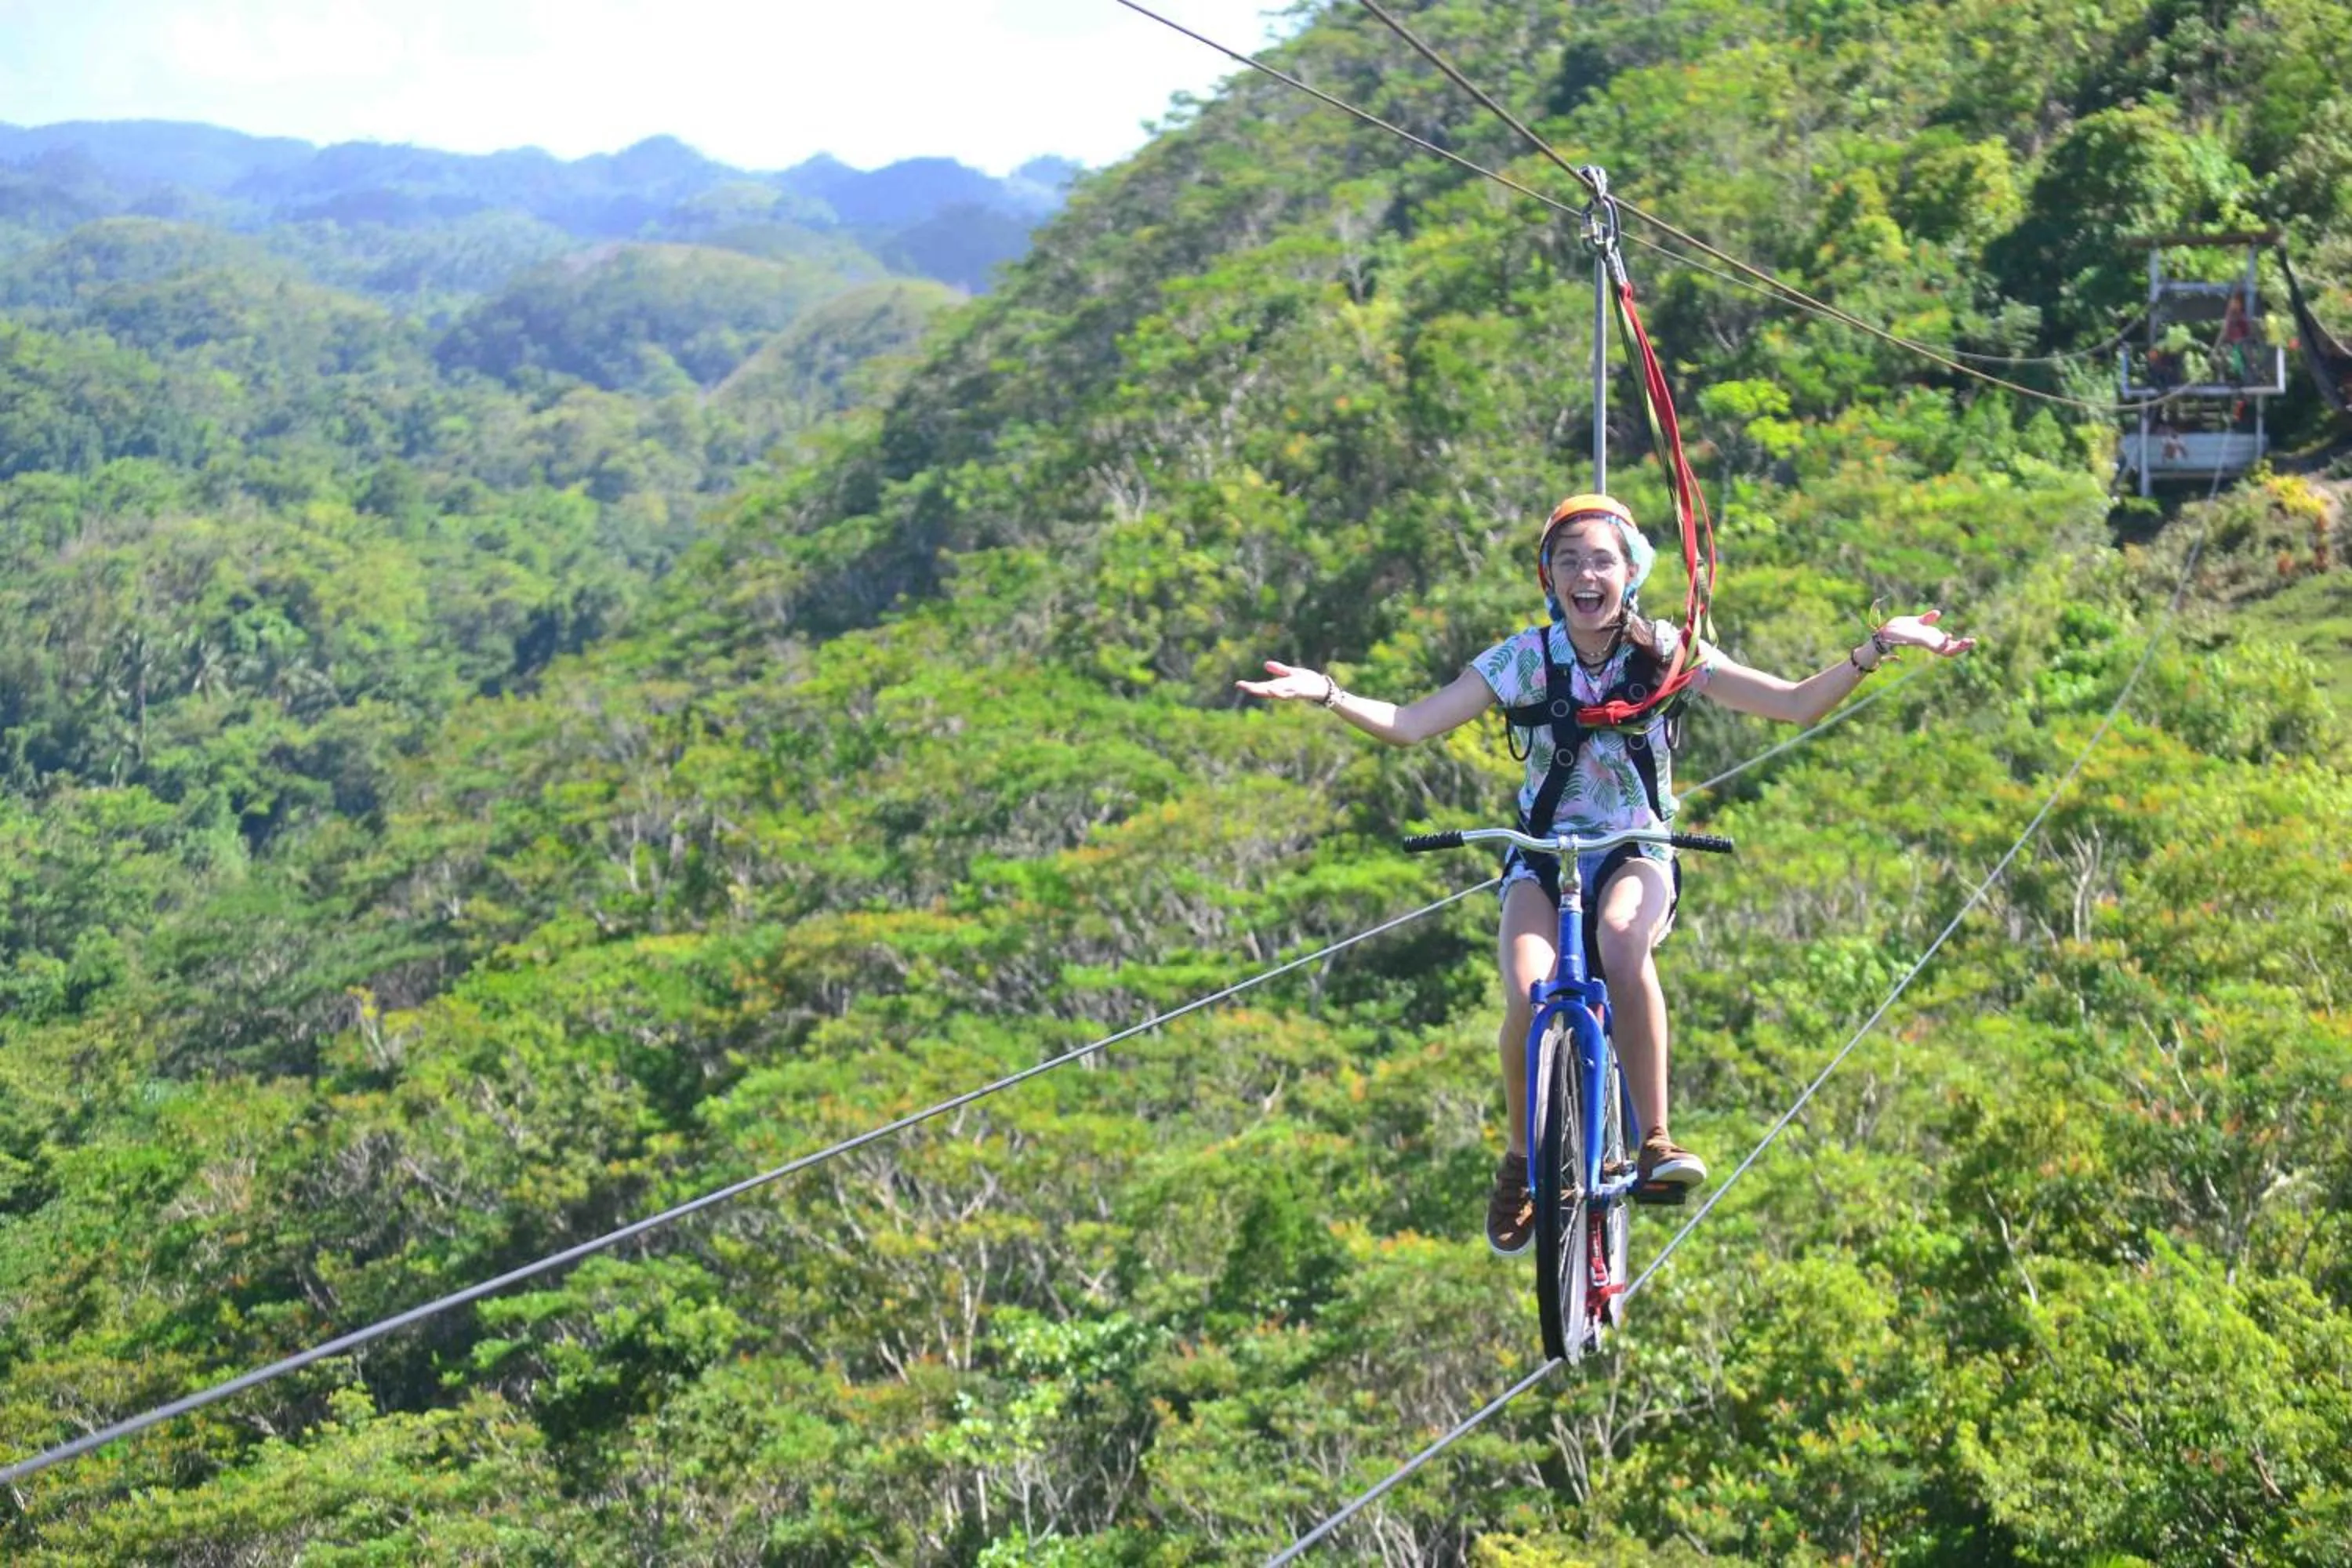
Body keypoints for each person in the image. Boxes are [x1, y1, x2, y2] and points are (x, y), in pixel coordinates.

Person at [1237, 493, 1976, 1255]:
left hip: (1636, 849)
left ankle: (1654, 1136)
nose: (1585, 575)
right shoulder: (1524, 659)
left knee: (1623, 940)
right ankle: (1524, 1163)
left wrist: (1877, 646)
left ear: (1630, 572)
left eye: (1601, 560)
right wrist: (1328, 692)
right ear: (1548, 578)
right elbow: (1411, 723)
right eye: (1567, 561)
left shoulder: (1665, 651)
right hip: (1542, 855)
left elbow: (1792, 705)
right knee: (1531, 990)